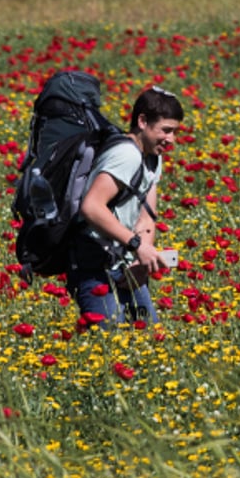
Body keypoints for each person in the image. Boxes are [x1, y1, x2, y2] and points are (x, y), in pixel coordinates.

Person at [68, 87, 183, 328]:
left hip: (124, 262)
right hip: (93, 260)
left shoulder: (152, 157)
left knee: (146, 331)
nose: (171, 139)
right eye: (166, 130)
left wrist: (143, 259)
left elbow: (146, 217)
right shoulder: (126, 155)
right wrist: (136, 244)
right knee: (108, 336)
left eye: (175, 132)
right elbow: (91, 207)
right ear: (142, 121)